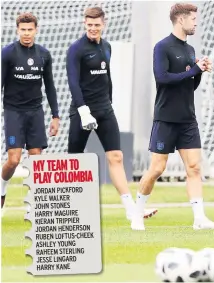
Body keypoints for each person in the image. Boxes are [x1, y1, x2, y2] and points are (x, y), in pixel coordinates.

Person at [133, 3, 214, 231]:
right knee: (157, 169)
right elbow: (163, 78)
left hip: (188, 119)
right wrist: (194, 70)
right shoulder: (162, 47)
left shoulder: (190, 50)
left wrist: (199, 71)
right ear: (180, 19)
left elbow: (189, 85)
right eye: (193, 19)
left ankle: (199, 219)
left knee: (194, 167)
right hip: (166, 118)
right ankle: (136, 214)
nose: (196, 23)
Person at [66, 7, 157, 229]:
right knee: (74, 161)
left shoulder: (106, 47)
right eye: (89, 25)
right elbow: (73, 83)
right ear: (84, 24)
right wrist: (83, 110)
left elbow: (107, 79)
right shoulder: (76, 49)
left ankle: (131, 211)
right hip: (82, 112)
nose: (93, 29)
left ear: (103, 24)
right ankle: (70, 209)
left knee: (115, 157)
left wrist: (108, 104)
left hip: (105, 110)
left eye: (97, 25)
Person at [1, 13, 60, 209]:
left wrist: (55, 116)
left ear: (36, 30)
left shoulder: (44, 54)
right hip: (13, 111)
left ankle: (34, 203)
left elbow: (50, 86)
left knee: (36, 158)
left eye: (30, 29)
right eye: (23, 30)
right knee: (14, 159)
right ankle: (1, 189)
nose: (26, 33)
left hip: (35, 111)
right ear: (17, 30)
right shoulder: (7, 53)